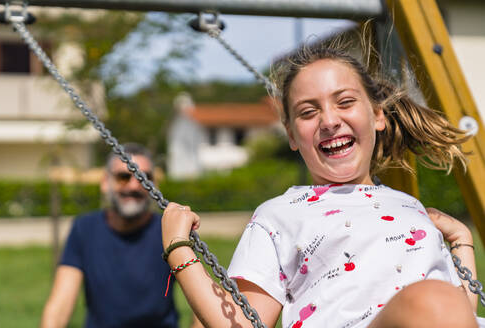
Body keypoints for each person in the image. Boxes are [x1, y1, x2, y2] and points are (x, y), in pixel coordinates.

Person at [160, 37, 485, 328]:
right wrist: (179, 249)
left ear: (377, 115)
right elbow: (243, 322)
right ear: (290, 134)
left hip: (431, 312)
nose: (329, 121)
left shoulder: (409, 207)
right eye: (308, 112)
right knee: (432, 300)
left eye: (344, 102)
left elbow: (458, 316)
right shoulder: (278, 216)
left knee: (437, 301)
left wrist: (462, 243)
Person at [41, 143, 179, 328]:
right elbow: (59, 307)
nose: (134, 186)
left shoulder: (169, 232)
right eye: (124, 177)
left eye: (144, 178)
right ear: (105, 183)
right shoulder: (85, 229)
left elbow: (202, 300)